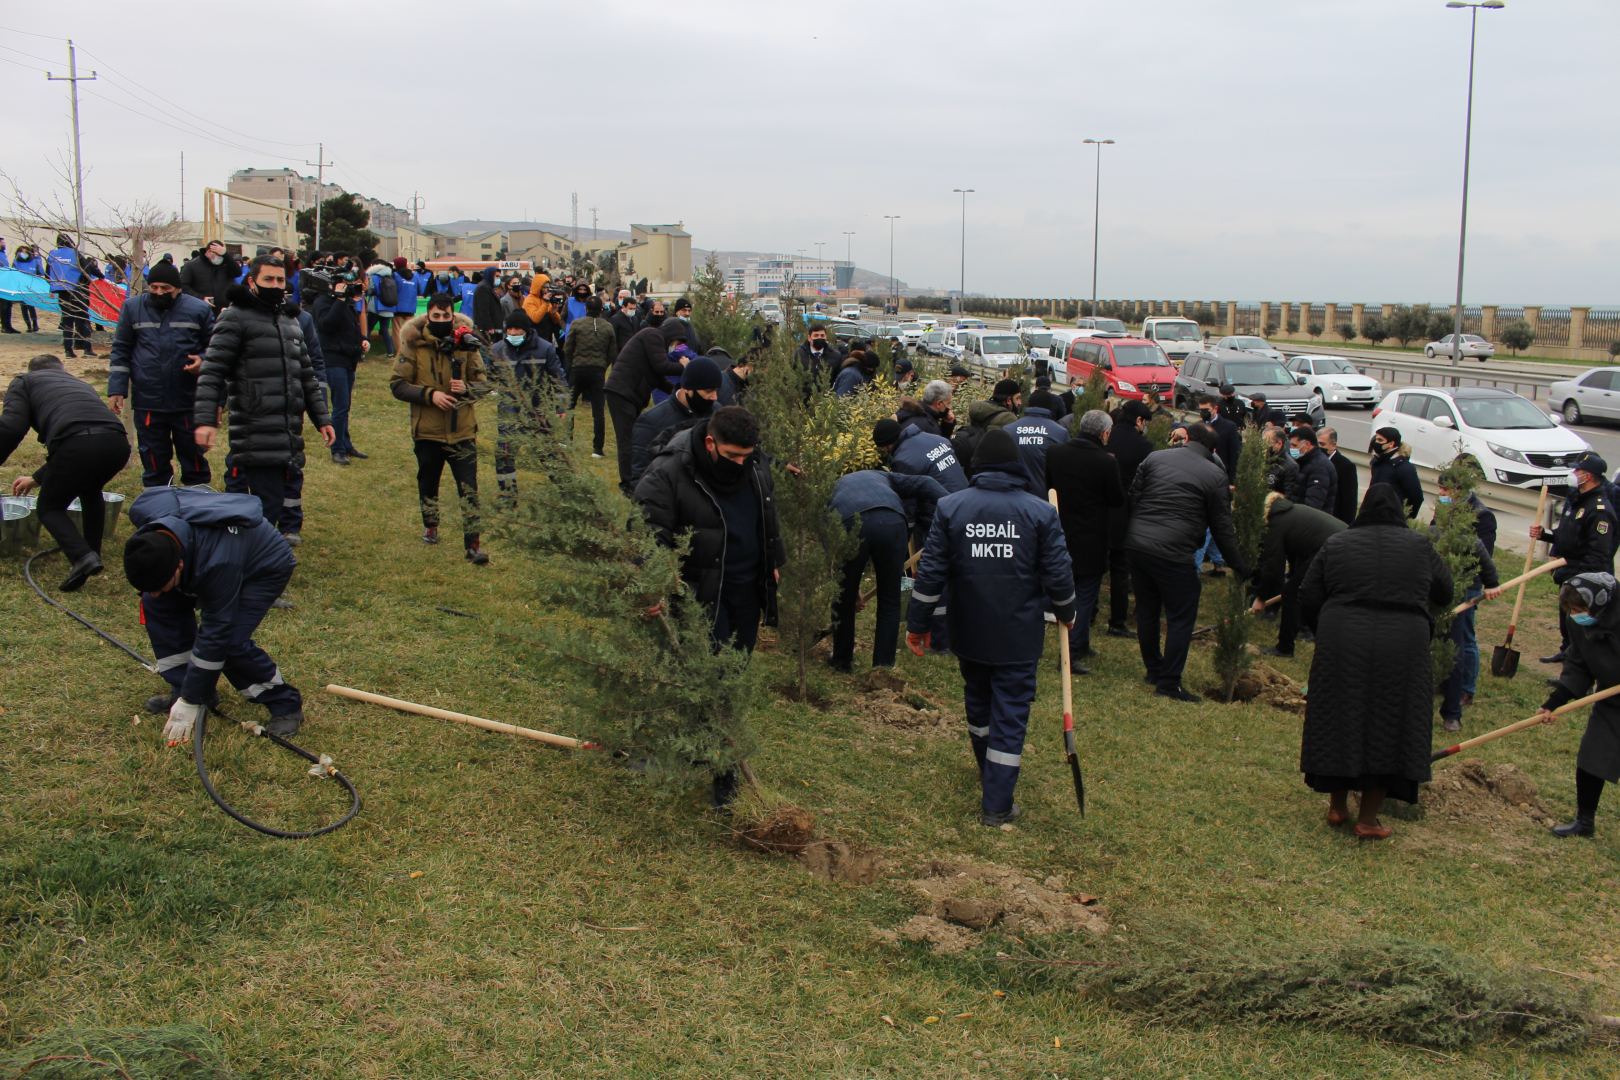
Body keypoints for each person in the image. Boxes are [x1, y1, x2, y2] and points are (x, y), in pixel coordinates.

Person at [905, 426, 1077, 828]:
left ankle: (990, 769)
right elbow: (1058, 571)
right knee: (1010, 713)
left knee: (979, 701)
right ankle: (997, 804)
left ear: (977, 467)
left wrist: (918, 623)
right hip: (1018, 636)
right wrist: (1067, 610)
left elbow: (930, 573)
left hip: (970, 631)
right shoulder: (1040, 513)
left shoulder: (952, 507)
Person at [1299, 484, 1453, 839]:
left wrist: (1325, 628)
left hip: (1343, 638)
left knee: (1339, 718)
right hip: (1403, 645)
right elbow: (1445, 592)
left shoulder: (1337, 542)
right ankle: (1368, 818)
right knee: (1391, 725)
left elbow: (1308, 592)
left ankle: (1337, 806)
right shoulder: (1419, 546)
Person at [121, 486, 305, 735]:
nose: (153, 592)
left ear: (179, 566)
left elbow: (217, 631)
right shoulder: (149, 525)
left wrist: (191, 701)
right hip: (201, 554)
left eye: (159, 585)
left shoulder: (218, 562)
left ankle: (285, 704)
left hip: (263, 566)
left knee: (229, 642)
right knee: (157, 604)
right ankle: (188, 689)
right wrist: (190, 695)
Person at [192, 257, 334, 533]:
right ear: (252, 281)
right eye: (268, 279)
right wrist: (206, 420)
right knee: (261, 508)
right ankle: (250, 553)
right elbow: (213, 371)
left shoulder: (290, 320)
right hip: (254, 429)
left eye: (280, 280)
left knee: (273, 503)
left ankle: (259, 548)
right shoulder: (235, 317)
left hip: (287, 431)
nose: (275, 285)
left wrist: (322, 418)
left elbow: (306, 374)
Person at [634, 405, 785, 655]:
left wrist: (773, 559)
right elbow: (648, 530)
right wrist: (654, 581)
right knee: (707, 662)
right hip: (700, 590)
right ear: (709, 443)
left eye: (745, 456)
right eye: (732, 456)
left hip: (747, 587)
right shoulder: (668, 472)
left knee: (739, 658)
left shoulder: (755, 464)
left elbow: (767, 510)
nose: (740, 463)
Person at [1125, 422, 1250, 701]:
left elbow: (1134, 496)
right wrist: (1238, 564)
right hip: (1174, 552)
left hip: (1138, 544)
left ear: (1187, 438)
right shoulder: (1215, 475)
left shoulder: (1155, 457)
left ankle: (1154, 669)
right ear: (1213, 450)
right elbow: (1222, 527)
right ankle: (1169, 682)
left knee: (1147, 609)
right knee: (1181, 616)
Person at [0, 355, 131, 590]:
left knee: (49, 507)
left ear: (31, 370)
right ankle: (92, 552)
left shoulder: (24, 381)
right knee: (90, 490)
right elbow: (76, 449)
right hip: (117, 444)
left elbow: (11, 428)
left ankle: (82, 557)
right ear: (60, 369)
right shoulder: (79, 383)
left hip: (76, 444)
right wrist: (36, 478)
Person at [391, 295, 491, 563]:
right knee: (428, 482)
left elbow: (484, 383)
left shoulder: (467, 343)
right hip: (428, 431)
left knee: (469, 489)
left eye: (446, 316)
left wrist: (467, 389)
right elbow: (398, 385)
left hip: (463, 430)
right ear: (428, 316)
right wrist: (430, 395)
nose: (441, 321)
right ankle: (431, 524)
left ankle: (473, 545)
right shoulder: (413, 344)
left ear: (452, 316)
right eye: (436, 316)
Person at [106, 260, 215, 488]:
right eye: (154, 287)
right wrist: (116, 388)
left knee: (193, 455)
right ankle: (158, 500)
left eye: (166, 288)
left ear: (178, 289)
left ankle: (198, 499)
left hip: (187, 398)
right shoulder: (132, 308)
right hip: (148, 399)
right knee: (153, 456)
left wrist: (203, 361)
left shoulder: (199, 310)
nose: (159, 292)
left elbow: (215, 348)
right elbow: (121, 349)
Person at [829, 465, 946, 672]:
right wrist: (956, 507)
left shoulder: (832, 491)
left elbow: (832, 556)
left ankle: (841, 661)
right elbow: (926, 483)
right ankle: (882, 667)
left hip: (851, 523)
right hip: (892, 523)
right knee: (890, 600)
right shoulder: (885, 477)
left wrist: (851, 589)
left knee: (843, 598)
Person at [1537, 573, 1620, 838]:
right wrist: (1555, 701)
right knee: (1592, 756)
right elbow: (1578, 664)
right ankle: (1585, 822)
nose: (1575, 615)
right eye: (1571, 611)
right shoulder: (1578, 624)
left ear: (1600, 602)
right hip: (1611, 699)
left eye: (1579, 609)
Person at [1045, 409, 1124, 671]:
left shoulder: (1056, 453)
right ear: (1104, 434)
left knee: (1070, 588)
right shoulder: (1106, 462)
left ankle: (1082, 642)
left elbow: (1049, 487)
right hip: (1091, 535)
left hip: (1060, 530)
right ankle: (1073, 651)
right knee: (1086, 594)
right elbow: (1116, 499)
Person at [1533, 452, 1617, 664]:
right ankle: (1566, 652)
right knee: (1567, 622)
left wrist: (1568, 564)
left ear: (1588, 476)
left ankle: (1577, 665)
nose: (1573, 473)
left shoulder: (1599, 510)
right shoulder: (1578, 500)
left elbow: (1598, 556)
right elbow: (1568, 536)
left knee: (1580, 628)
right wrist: (1545, 534)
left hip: (1585, 580)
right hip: (1569, 575)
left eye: (1577, 469)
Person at [1436, 476, 1501, 732]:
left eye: (1445, 489)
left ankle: (1460, 697)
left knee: (1461, 642)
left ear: (1458, 489)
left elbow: (1483, 553)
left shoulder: (1481, 516)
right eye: (1440, 488)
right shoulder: (1441, 516)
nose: (1441, 493)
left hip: (1464, 587)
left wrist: (1491, 583)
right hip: (1437, 589)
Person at [1251, 493, 1346, 658]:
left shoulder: (1275, 523)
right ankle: (1319, 639)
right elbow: (1298, 554)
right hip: (1342, 546)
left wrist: (1261, 598)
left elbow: (1273, 569)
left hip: (1334, 550)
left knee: (1292, 594)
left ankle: (1285, 648)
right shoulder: (1291, 512)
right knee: (1305, 593)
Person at [487, 310, 566, 505]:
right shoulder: (497, 350)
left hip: (538, 412)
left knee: (549, 453)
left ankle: (567, 490)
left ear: (527, 330)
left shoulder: (545, 349)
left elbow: (558, 378)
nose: (513, 333)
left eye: (518, 329)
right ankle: (508, 496)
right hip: (509, 412)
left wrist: (561, 406)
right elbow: (488, 377)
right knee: (504, 454)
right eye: (510, 329)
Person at [605, 320, 689, 495]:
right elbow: (661, 367)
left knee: (633, 437)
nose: (675, 347)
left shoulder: (654, 341)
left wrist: (678, 392)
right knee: (627, 439)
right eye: (676, 343)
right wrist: (684, 367)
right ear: (672, 335)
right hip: (621, 392)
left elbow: (656, 377)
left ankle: (632, 479)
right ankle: (628, 483)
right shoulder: (653, 335)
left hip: (628, 395)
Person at [630, 355, 722, 489]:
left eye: (716, 390)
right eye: (708, 391)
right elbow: (639, 477)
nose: (714, 397)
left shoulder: (718, 413)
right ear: (687, 388)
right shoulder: (651, 422)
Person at [1105, 400, 1154, 638]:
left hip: (1099, 508)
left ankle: (1087, 613)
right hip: (1125, 510)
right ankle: (1117, 620)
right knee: (1120, 568)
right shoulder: (1144, 446)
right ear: (1139, 420)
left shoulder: (1107, 435)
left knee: (1093, 567)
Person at [309, 270, 367, 466]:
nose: (347, 287)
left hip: (348, 358)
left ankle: (346, 444)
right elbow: (327, 325)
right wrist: (340, 300)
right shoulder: (322, 302)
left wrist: (362, 340)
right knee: (340, 406)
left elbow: (351, 326)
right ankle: (338, 449)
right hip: (333, 359)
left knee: (345, 405)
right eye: (343, 283)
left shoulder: (345, 302)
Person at [562, 296, 616, 458]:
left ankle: (566, 440)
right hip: (597, 370)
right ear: (601, 310)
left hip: (578, 368)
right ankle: (597, 449)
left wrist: (572, 363)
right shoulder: (608, 327)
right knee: (598, 411)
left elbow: (567, 348)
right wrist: (603, 365)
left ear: (586, 308)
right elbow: (612, 353)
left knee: (569, 406)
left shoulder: (576, 324)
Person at [951, 378, 1020, 477]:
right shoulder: (1009, 419)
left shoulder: (979, 410)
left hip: (970, 463)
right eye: (1017, 398)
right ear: (1009, 400)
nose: (1020, 402)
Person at [46, 233, 100, 358]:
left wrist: (54, 287)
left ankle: (68, 351)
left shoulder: (52, 255)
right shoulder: (75, 253)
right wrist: (86, 282)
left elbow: (48, 274)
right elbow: (87, 269)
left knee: (67, 321)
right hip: (78, 291)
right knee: (83, 320)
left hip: (62, 292)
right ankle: (87, 349)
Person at [1368, 426, 1424, 519]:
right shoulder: (1377, 461)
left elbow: (1416, 497)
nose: (1376, 442)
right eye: (1376, 439)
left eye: (1380, 440)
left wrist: (1404, 518)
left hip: (1391, 519)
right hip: (1372, 515)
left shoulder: (1404, 467)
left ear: (1391, 444)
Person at [179, 239, 238, 313]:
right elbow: (183, 286)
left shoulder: (226, 263)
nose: (219, 257)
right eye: (216, 254)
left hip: (225, 309)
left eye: (221, 254)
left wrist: (226, 255)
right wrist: (201, 298)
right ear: (208, 252)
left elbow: (237, 272)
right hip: (201, 309)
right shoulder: (191, 265)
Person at [1287, 427, 1336, 513]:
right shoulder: (1302, 460)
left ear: (1307, 444)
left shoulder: (1319, 467)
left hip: (1309, 518)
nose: (1291, 449)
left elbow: (1313, 505)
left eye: (1294, 445)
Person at [1320, 426, 1358, 526]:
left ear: (1333, 445)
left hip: (1335, 519)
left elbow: (1349, 500)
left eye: (1322, 444)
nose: (1319, 448)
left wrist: (1346, 525)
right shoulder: (1315, 461)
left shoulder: (1346, 466)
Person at [366, 260, 399, 357]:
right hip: (389, 308)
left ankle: (363, 351)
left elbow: (369, 290)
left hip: (375, 308)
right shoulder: (391, 277)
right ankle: (390, 352)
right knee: (385, 330)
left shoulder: (374, 277)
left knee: (367, 328)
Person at [9, 243, 43, 333]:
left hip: (26, 286)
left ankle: (32, 325)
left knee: (27, 307)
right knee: (27, 307)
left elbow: (40, 272)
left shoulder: (21, 261)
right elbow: (40, 272)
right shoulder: (30, 260)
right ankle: (32, 325)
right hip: (26, 286)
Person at [1262, 424, 1299, 496]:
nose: (1264, 446)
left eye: (1267, 442)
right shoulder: (1262, 458)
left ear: (1279, 443)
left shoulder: (1290, 467)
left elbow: (1288, 496)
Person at [471, 270, 504, 337]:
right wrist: (489, 327)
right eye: (496, 276)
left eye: (499, 276)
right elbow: (483, 310)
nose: (498, 279)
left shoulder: (488, 286)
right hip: (488, 329)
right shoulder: (483, 288)